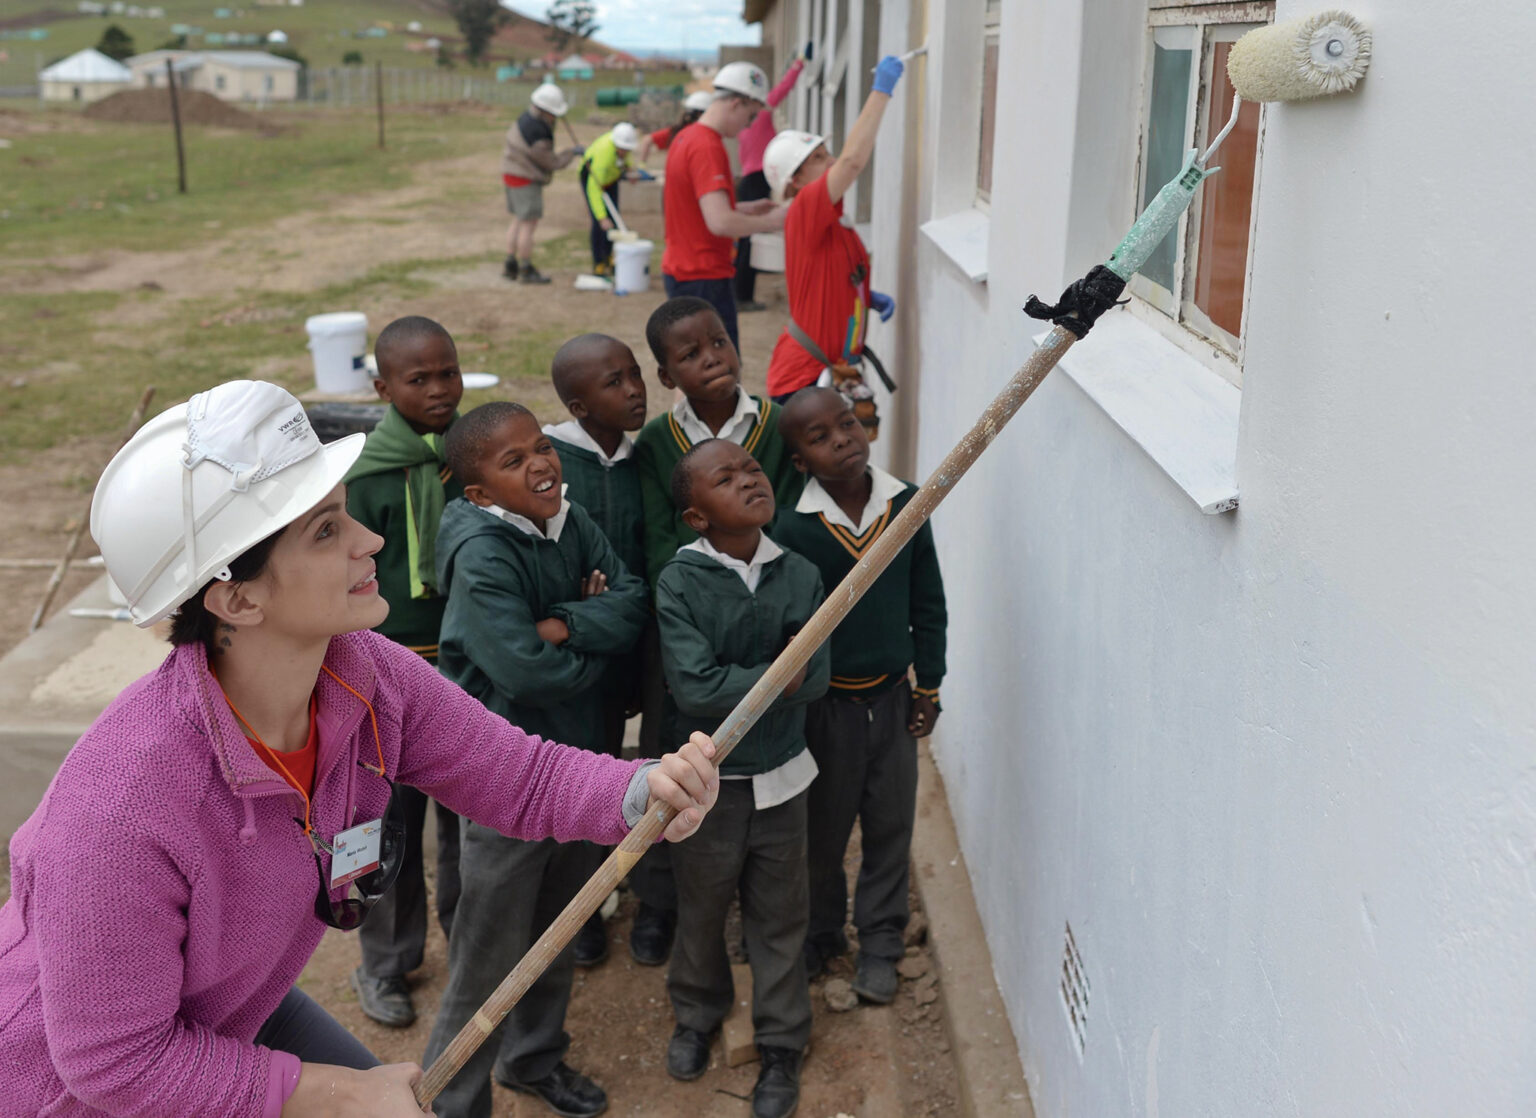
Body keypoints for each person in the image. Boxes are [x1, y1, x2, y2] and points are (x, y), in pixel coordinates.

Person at [0, 379, 719, 1118]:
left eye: (344, 517)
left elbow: (520, 778)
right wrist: (334, 1095)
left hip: (232, 1010)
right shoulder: (118, 809)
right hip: (65, 1091)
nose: (367, 542)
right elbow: (115, 1062)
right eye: (324, 532)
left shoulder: (364, 674)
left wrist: (641, 793)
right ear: (237, 600)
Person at [423, 402, 650, 1118]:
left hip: (576, 763)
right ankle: (451, 1099)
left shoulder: (567, 519)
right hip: (506, 779)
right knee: (489, 954)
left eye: (540, 446)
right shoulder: (483, 553)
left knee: (557, 927)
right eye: (513, 460)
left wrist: (563, 625)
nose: (541, 464)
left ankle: (532, 1059)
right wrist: (590, 647)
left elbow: (632, 601)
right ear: (479, 494)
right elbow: (527, 672)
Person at [654, 438, 830, 1118]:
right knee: (701, 906)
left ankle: (782, 1041)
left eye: (753, 468)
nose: (750, 480)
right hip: (710, 788)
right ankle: (697, 1015)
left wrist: (782, 678)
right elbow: (694, 687)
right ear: (698, 517)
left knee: (781, 915)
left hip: (785, 775)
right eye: (726, 479)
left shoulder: (802, 573)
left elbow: (814, 676)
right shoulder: (681, 581)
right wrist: (781, 673)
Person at [773, 387, 947, 1004]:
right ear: (798, 462)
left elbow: (928, 602)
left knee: (889, 827)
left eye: (846, 424)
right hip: (826, 712)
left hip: (893, 702)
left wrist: (929, 685)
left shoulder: (906, 503)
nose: (842, 439)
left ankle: (881, 941)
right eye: (819, 437)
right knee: (824, 832)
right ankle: (823, 936)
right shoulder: (791, 526)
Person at [342, 316, 466, 1029]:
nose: (439, 389)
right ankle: (384, 963)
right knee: (383, 824)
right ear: (383, 387)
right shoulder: (364, 477)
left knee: (466, 817)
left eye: (448, 372)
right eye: (418, 379)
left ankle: (472, 944)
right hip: (382, 674)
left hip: (465, 666)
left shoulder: (472, 459)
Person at [541, 333, 649, 967]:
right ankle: (576, 914)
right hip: (572, 656)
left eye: (634, 375)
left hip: (630, 645)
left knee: (612, 762)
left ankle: (608, 886)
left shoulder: (644, 457)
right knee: (570, 775)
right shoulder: (552, 463)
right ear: (579, 407)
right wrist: (582, 608)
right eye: (614, 383)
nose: (634, 390)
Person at [762, 55, 906, 408]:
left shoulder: (835, 224)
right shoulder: (805, 207)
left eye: (827, 154)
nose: (830, 162)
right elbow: (852, 161)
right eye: (818, 158)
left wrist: (865, 297)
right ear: (795, 181)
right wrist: (881, 90)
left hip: (828, 375)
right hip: (803, 379)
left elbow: (831, 276)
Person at [635, 296, 803, 589]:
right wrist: (674, 603)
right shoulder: (655, 441)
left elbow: (791, 523)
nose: (712, 358)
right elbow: (658, 539)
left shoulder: (779, 425)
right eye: (690, 355)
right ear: (666, 377)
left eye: (719, 342)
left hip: (772, 592)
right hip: (690, 596)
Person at [661, 61, 786, 354]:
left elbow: (698, 208)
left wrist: (744, 208)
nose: (750, 125)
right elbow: (720, 223)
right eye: (751, 115)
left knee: (693, 372)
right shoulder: (707, 146)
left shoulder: (687, 136)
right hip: (703, 276)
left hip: (685, 271)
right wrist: (777, 220)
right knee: (719, 374)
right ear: (736, 103)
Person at [733, 53, 806, 313]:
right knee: (749, 241)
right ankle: (742, 297)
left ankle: (740, 293)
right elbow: (783, 88)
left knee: (745, 241)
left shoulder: (741, 127)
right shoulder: (761, 115)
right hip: (756, 179)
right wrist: (799, 64)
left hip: (748, 180)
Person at [502, 82, 582, 285]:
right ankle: (526, 268)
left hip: (511, 173)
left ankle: (510, 262)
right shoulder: (538, 133)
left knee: (518, 220)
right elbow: (551, 162)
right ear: (546, 110)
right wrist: (571, 153)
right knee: (528, 225)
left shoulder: (526, 117)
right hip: (525, 179)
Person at [578, 121, 639, 279]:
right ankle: (598, 262)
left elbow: (626, 157)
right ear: (616, 144)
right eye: (623, 149)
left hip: (611, 178)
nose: (625, 152)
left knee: (614, 217)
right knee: (601, 224)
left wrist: (630, 167)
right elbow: (594, 190)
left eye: (627, 150)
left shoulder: (623, 147)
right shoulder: (603, 158)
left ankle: (609, 257)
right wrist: (601, 216)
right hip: (593, 179)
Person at [634, 89, 713, 164]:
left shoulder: (677, 131)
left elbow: (647, 139)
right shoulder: (700, 136)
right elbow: (647, 139)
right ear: (700, 114)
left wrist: (642, 164)